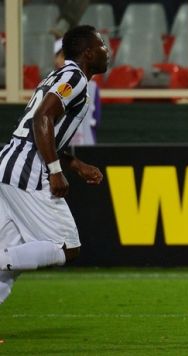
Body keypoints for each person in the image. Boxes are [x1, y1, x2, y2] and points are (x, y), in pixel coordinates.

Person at [0, 25, 109, 303]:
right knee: (66, 247)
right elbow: (41, 119)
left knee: (11, 257)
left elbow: (43, 129)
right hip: (28, 169)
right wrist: (56, 171)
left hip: (10, 162)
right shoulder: (75, 76)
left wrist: (75, 164)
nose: (106, 50)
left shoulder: (59, 76)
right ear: (87, 53)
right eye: (100, 46)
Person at [54, 38, 101, 145]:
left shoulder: (92, 87)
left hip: (86, 147)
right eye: (60, 56)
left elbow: (96, 121)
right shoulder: (50, 85)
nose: (59, 61)